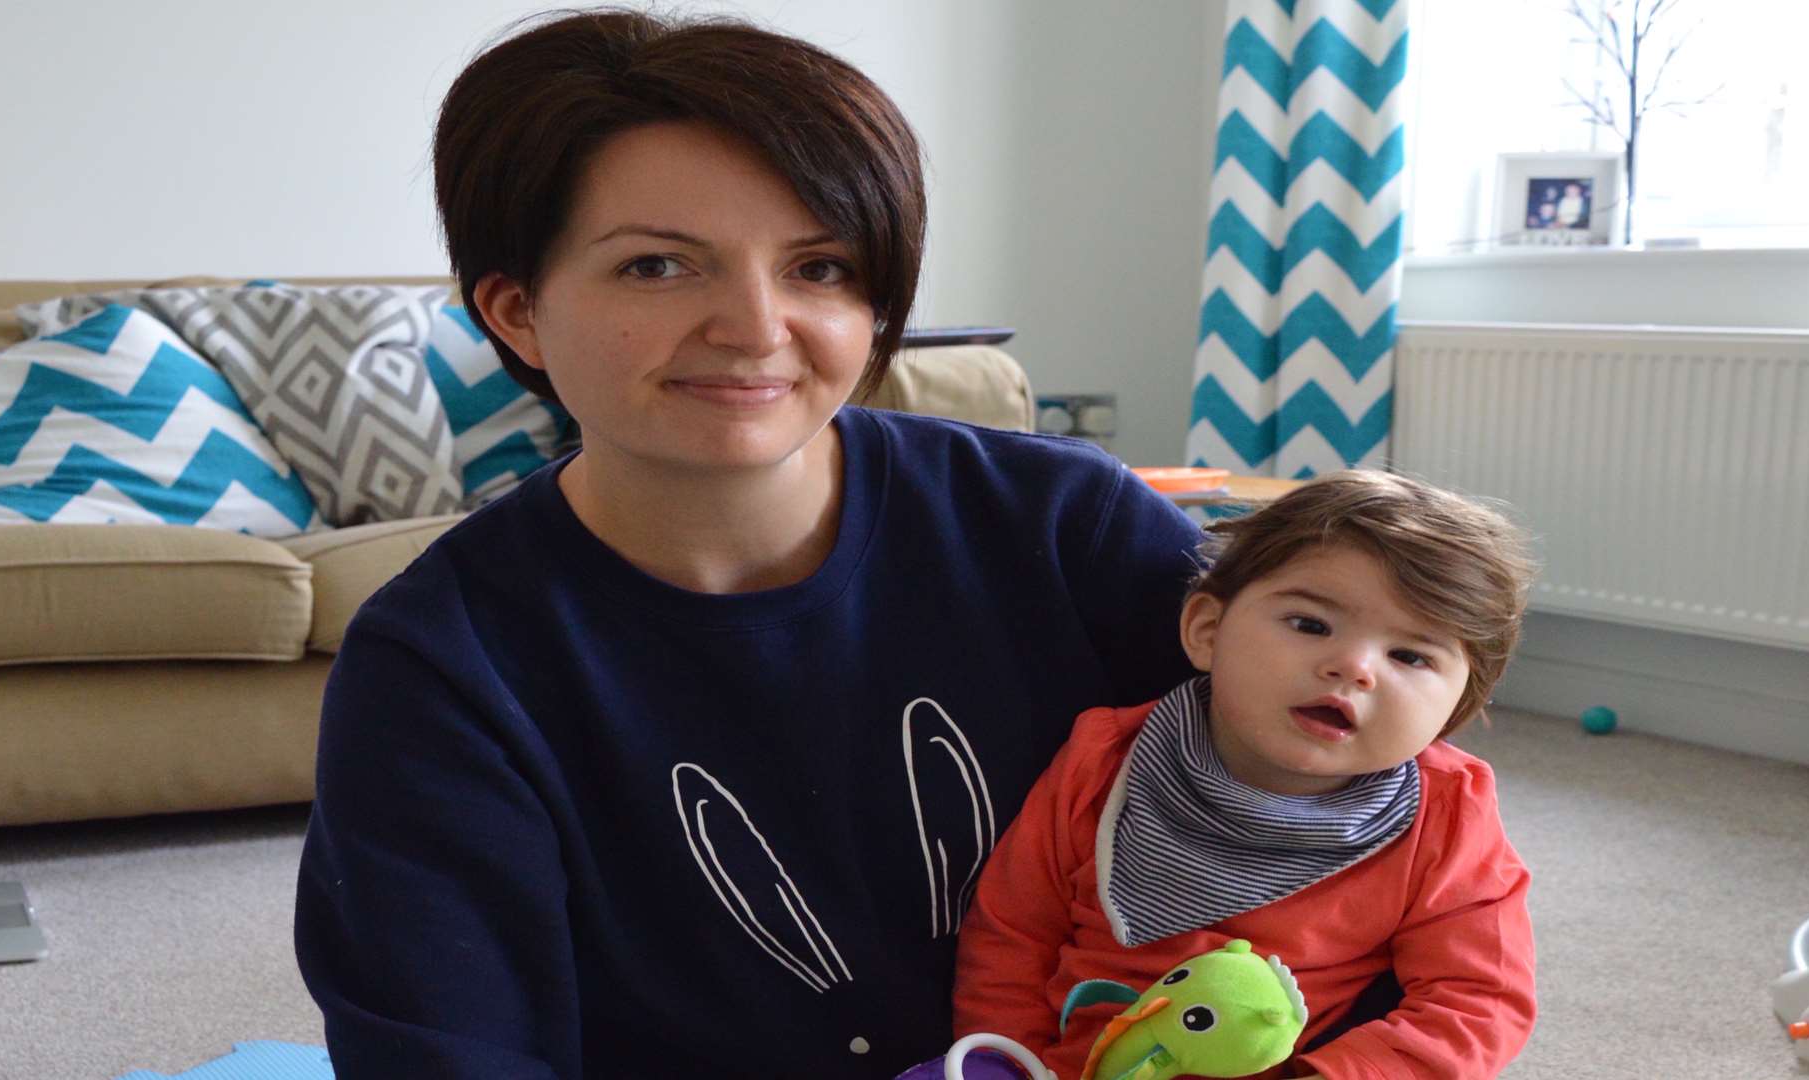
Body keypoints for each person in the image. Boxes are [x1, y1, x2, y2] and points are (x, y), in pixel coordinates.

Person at [290, 9, 1205, 1079]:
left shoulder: (1063, 529)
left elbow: (1378, 820)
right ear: (517, 311)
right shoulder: (445, 664)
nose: (756, 325)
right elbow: (445, 1052)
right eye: (658, 267)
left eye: (819, 267)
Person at [950, 470, 1538, 1079]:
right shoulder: (1107, 758)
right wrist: (1007, 1061)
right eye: (1311, 624)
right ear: (1207, 630)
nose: (1354, 667)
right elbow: (1013, 938)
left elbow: (1479, 1001)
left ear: (1458, 707)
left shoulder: (1445, 812)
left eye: (1410, 656)